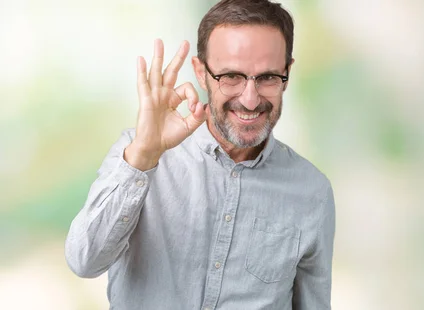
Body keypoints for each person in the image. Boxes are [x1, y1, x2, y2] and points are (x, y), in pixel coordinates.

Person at [64, 0, 335, 309]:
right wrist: (142, 158)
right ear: (201, 72)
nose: (250, 99)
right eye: (231, 76)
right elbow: (84, 261)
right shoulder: (138, 153)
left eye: (268, 77)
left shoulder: (313, 192)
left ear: (286, 73)